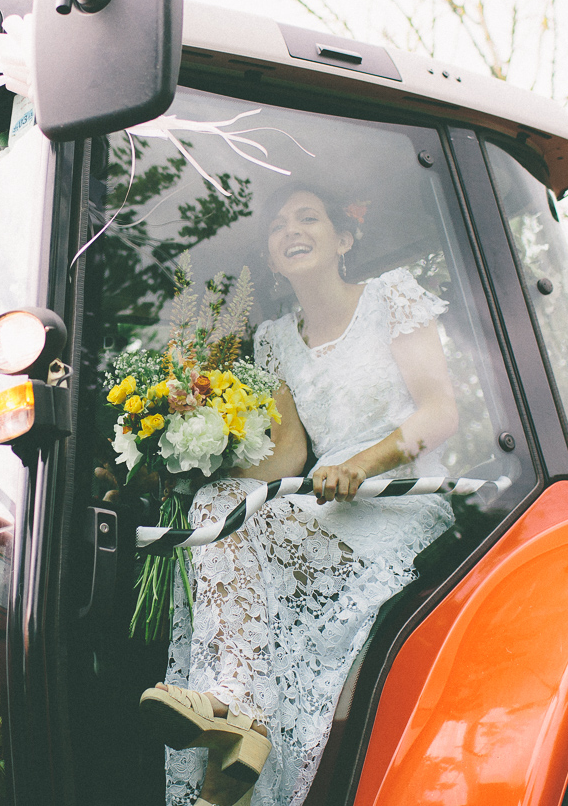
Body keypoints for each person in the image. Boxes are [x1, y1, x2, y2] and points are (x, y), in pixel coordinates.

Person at [139, 185, 459, 806]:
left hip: (394, 497)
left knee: (240, 541)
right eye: (279, 223)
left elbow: (440, 412)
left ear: (343, 238)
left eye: (307, 217)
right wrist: (188, 464)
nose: (291, 229)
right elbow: (287, 455)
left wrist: (363, 465)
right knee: (218, 511)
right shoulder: (274, 338)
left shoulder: (391, 296)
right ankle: (235, 716)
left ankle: (236, 730)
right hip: (321, 500)